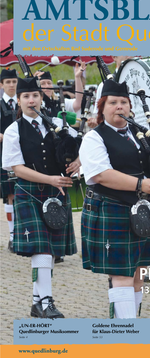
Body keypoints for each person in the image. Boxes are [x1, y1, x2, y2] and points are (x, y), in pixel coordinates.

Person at [79, 79, 150, 319]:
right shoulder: (94, 138)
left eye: (124, 102)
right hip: (111, 208)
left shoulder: (143, 133)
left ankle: (126, 327)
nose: (119, 107)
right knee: (122, 275)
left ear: (130, 106)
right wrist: (141, 184)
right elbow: (101, 175)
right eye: (113, 102)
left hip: (145, 209)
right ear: (102, 107)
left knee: (138, 273)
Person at [2, 77, 80, 318]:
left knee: (49, 250)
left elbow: (80, 145)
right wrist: (50, 180)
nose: (31, 100)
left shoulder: (57, 123)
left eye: (35, 95)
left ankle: (38, 302)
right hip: (30, 192)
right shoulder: (14, 130)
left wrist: (78, 161)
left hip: (57, 193)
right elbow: (16, 167)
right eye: (25, 96)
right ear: (19, 101)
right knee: (43, 250)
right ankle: (46, 302)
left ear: (41, 97)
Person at [0, 68, 18, 252]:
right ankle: (13, 235)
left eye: (14, 81)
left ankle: (23, 234)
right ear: (2, 85)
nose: (12, 85)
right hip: (4, 154)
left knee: (22, 194)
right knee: (10, 195)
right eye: (8, 82)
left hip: (23, 155)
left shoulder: (23, 104)